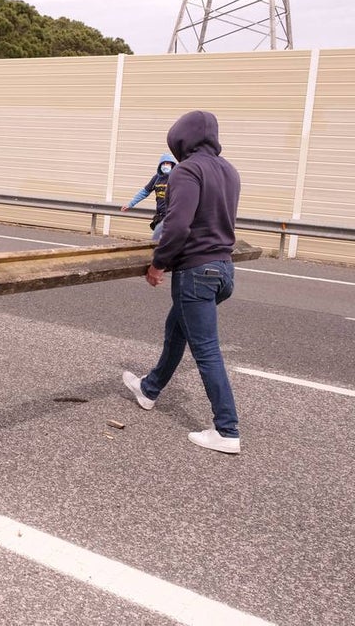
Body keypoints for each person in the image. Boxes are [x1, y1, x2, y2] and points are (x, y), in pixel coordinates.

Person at [121, 110, 243, 454]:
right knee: (177, 329)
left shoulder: (187, 170)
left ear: (180, 139)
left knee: (206, 350)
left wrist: (159, 264)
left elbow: (177, 225)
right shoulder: (229, 170)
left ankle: (227, 429)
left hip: (196, 273)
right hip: (224, 270)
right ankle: (149, 389)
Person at [120, 153, 177, 240]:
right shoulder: (157, 178)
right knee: (157, 241)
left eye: (168, 163)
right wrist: (130, 204)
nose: (165, 165)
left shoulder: (177, 177)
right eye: (163, 163)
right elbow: (144, 192)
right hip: (160, 216)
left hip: (172, 216)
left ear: (172, 165)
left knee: (167, 241)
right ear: (160, 165)